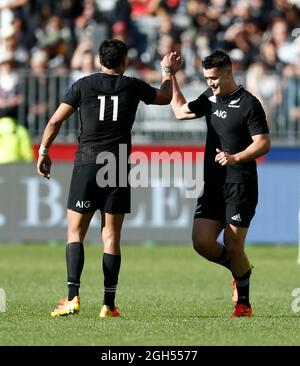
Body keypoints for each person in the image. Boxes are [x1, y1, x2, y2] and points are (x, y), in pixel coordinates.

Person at [37, 39, 178, 318]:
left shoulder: (83, 85)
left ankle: (72, 297)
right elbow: (165, 98)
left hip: (88, 162)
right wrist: (167, 71)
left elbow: (54, 122)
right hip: (116, 165)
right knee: (111, 236)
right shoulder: (132, 85)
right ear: (124, 60)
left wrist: (43, 151)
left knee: (75, 232)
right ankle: (109, 305)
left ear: (100, 59)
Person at [170, 50, 270, 317]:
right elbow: (180, 112)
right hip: (212, 184)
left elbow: (263, 143)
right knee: (201, 242)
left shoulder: (249, 103)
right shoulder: (209, 98)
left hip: (240, 184)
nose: (210, 83)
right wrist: (171, 75)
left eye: (214, 78)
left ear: (228, 72)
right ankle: (240, 270)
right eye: (206, 78)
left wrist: (236, 157)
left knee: (234, 244)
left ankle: (244, 304)